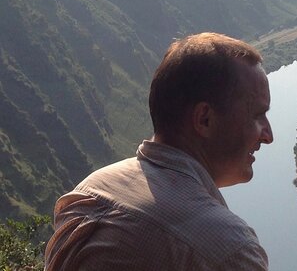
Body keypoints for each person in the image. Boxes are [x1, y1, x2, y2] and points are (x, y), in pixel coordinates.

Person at [44, 32, 274, 270]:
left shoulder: (91, 189)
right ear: (204, 119)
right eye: (257, 116)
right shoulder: (227, 249)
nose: (268, 136)